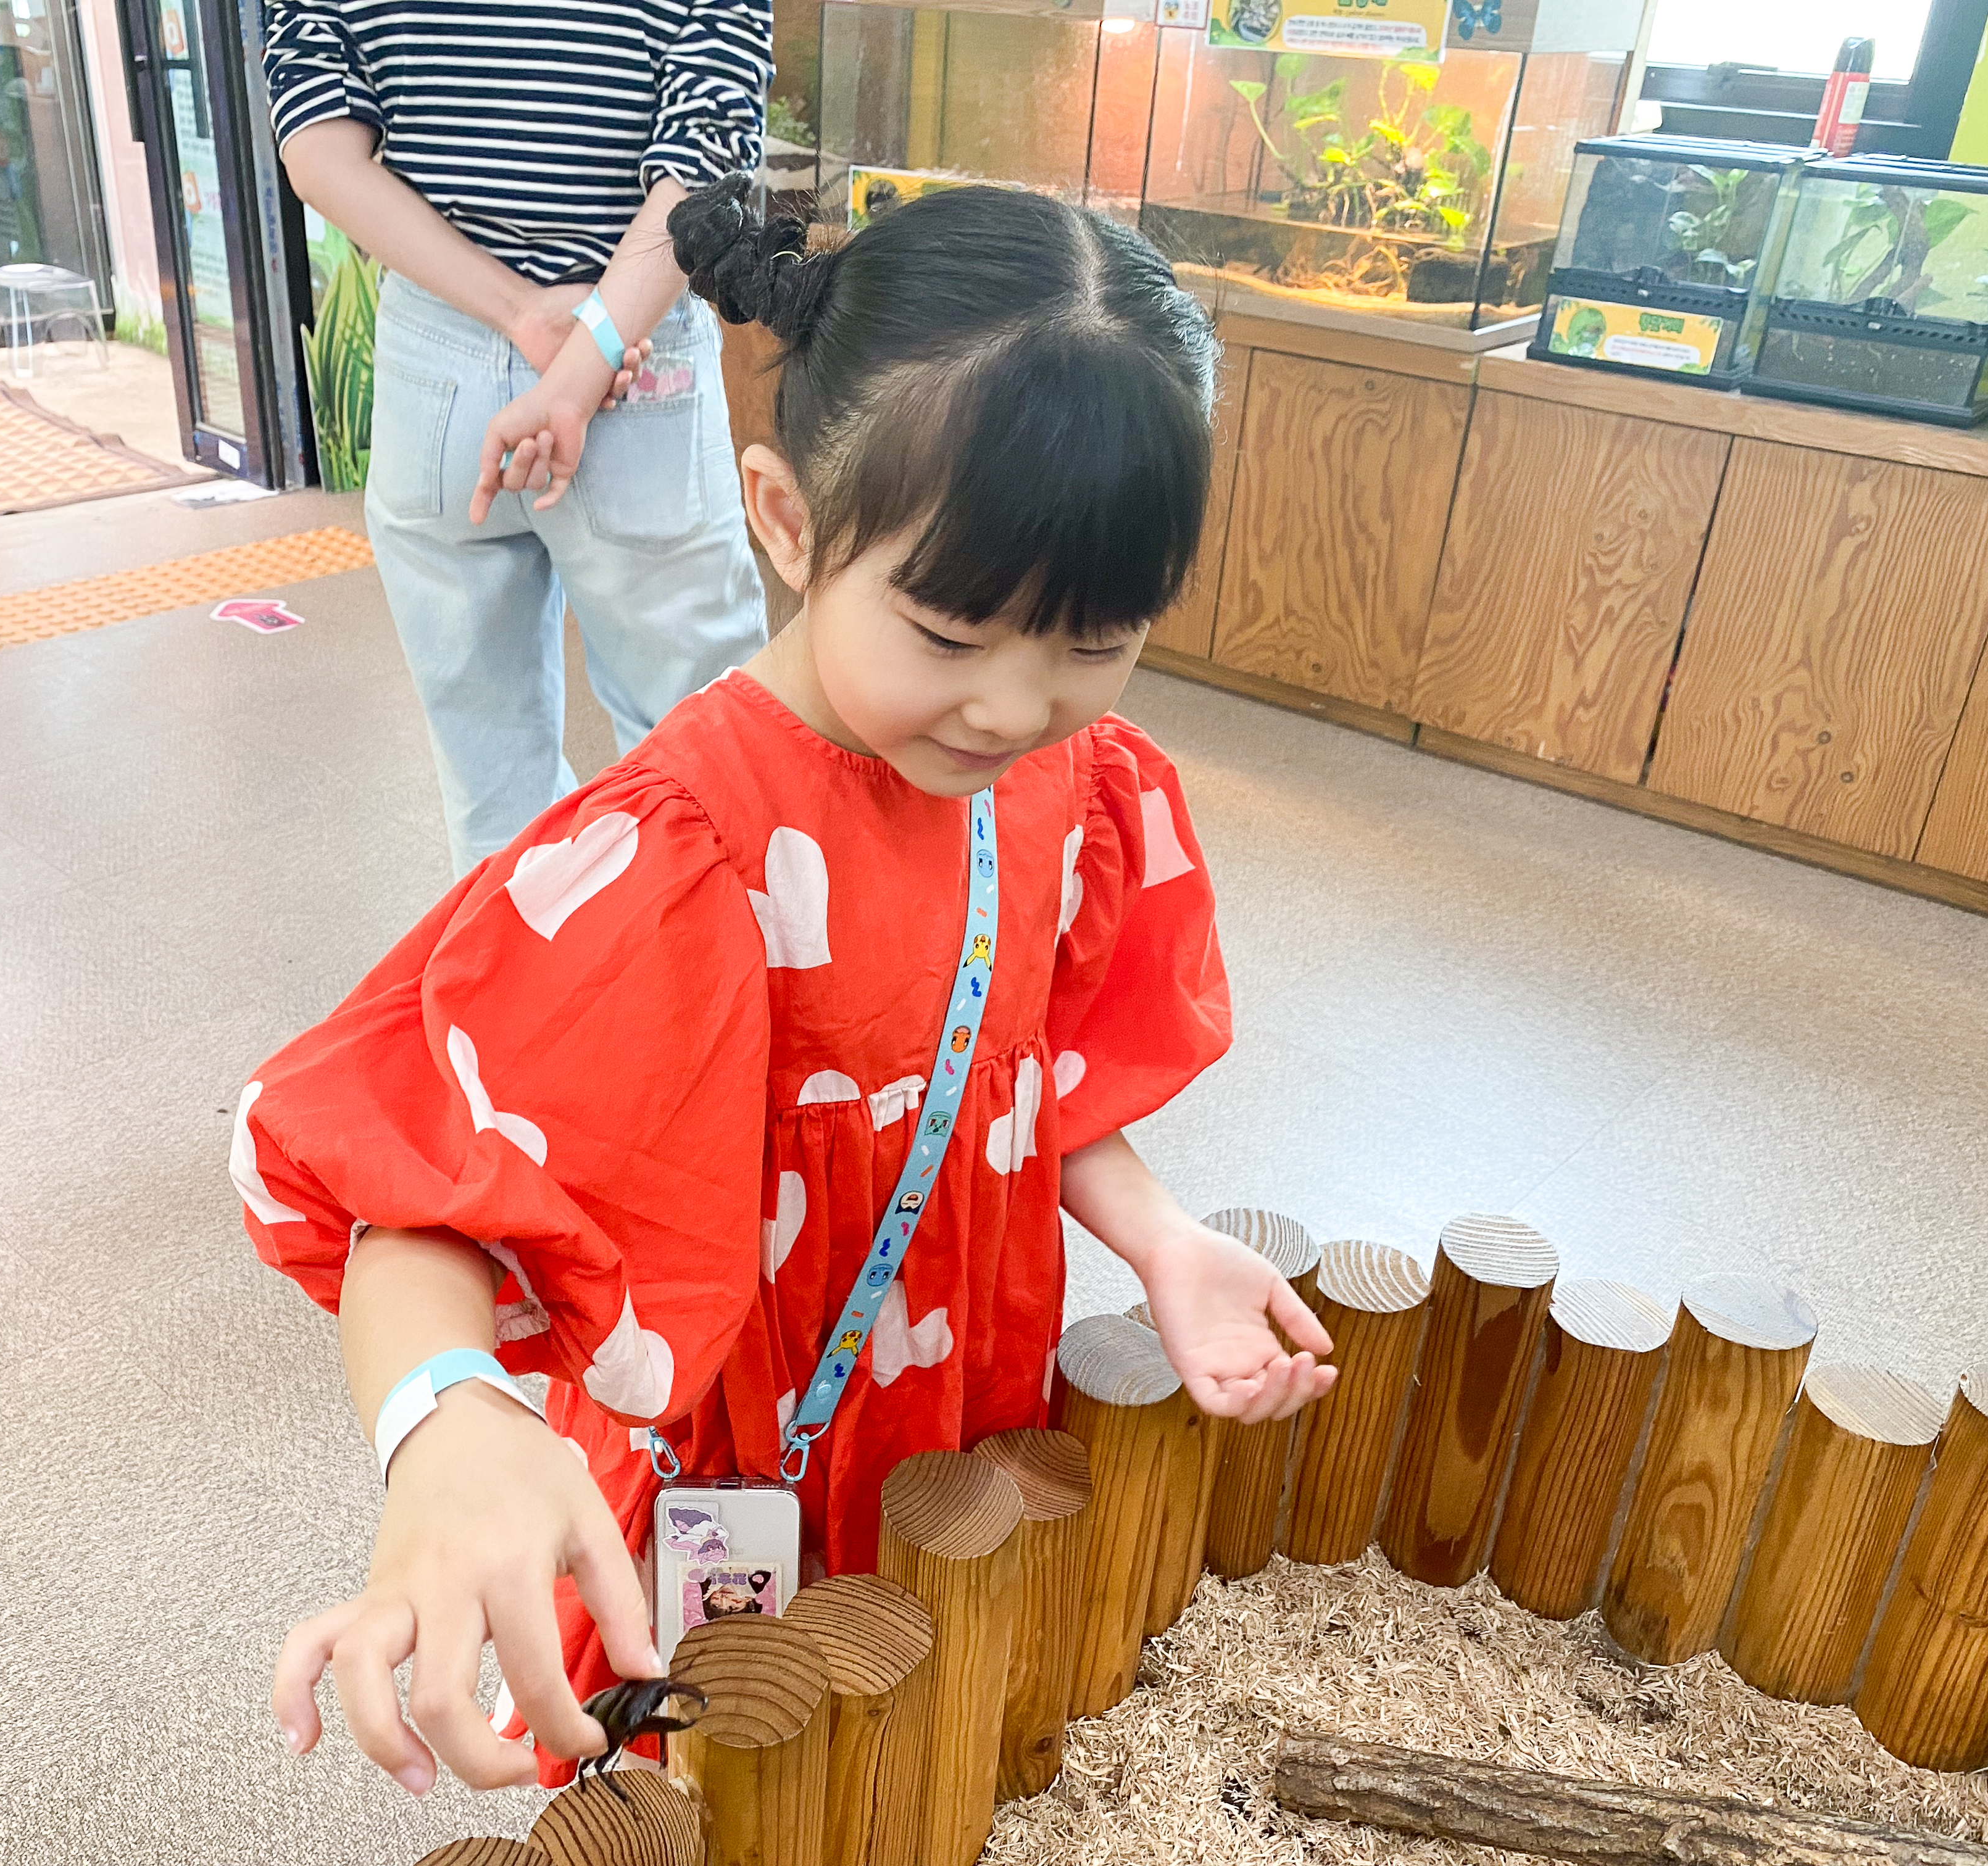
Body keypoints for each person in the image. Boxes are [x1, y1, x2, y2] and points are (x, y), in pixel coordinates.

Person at [235, 175, 1341, 1799]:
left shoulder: (1067, 782)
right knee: (721, 1787)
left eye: (1094, 641)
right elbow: (419, 1196)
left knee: (911, 1743)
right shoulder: (680, 850)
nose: (1014, 708)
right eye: (952, 631)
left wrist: (1163, 1239)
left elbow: (1011, 1069)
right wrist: (448, 1422)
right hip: (721, 1471)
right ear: (785, 517)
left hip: (947, 1412)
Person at [265, 0, 773, 873]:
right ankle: (703, 999)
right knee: (709, 763)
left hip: (439, 354)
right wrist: (584, 361)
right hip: (631, 342)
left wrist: (513, 311)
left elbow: (315, 146)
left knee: (490, 785)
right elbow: (705, 155)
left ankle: (520, 1000)